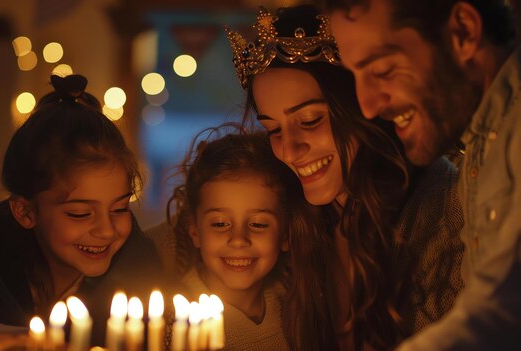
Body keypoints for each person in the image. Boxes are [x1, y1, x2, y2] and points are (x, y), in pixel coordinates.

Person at [226, 5, 464, 350]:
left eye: (309, 121)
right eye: (273, 129)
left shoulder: (445, 210)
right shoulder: (296, 220)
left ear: (362, 109)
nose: (290, 151)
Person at [321, 0, 521, 349]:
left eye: (382, 70)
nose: (368, 106)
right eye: (356, 76)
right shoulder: (480, 140)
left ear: (464, 32)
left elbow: (504, 313)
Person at [0, 74, 164, 340]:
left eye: (119, 209)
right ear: (25, 211)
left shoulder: (140, 270)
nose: (107, 231)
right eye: (80, 213)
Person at [166, 128, 311, 350]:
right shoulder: (173, 321)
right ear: (194, 231)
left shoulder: (297, 306)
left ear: (285, 234)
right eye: (220, 224)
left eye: (259, 224)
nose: (238, 240)